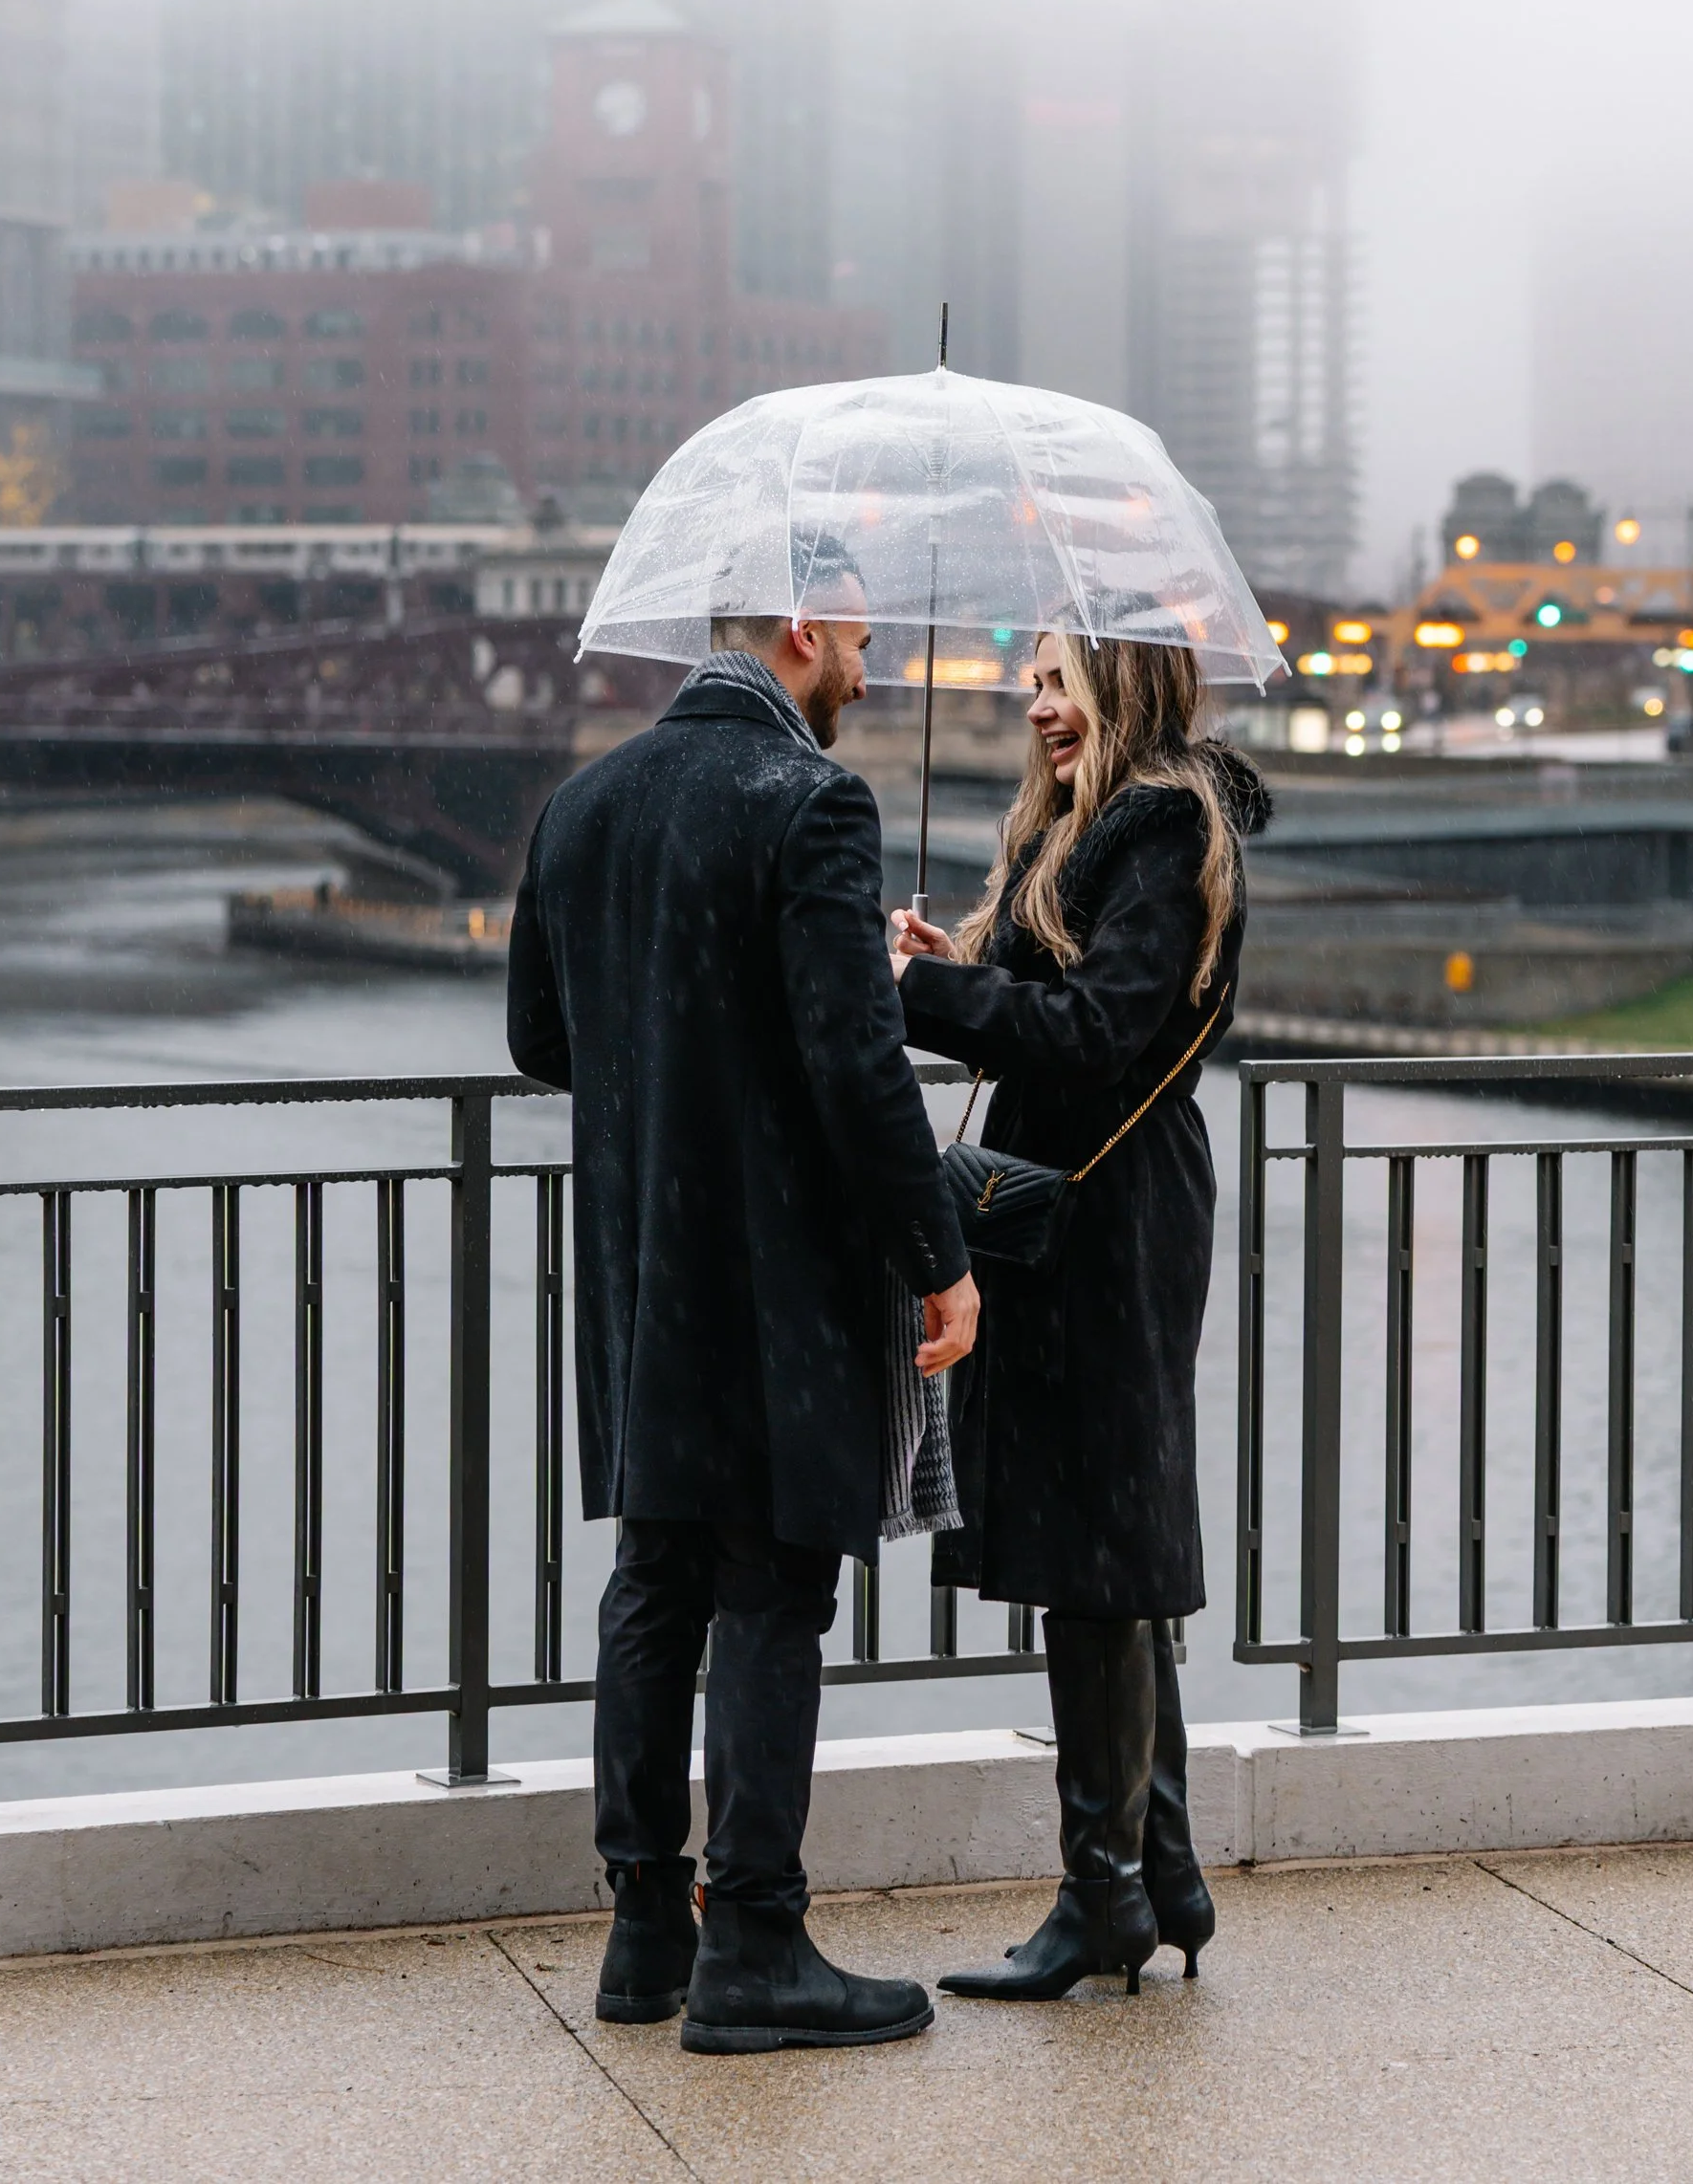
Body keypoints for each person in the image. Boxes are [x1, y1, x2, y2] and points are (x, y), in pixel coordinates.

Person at [508, 580, 979, 2056]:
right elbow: (855, 1067)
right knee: (776, 1590)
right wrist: (941, 1257)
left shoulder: (584, 806)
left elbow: (538, 1038)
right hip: (778, 1280)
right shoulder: (813, 804)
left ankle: (648, 1930)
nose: (866, 661)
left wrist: (678, 1047)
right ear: (792, 632)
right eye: (852, 636)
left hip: (646, 1271)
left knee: (657, 1580)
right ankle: (759, 1946)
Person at [890, 630, 1266, 2001]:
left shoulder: (1162, 827)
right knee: (1094, 1538)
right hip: (1081, 1208)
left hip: (1113, 1217)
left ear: (1127, 682)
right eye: (1034, 679)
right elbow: (1062, 1001)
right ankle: (1159, 1873)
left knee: (1103, 1547)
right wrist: (958, 961)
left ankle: (1102, 1897)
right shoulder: (1104, 828)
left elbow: (1102, 1033)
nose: (1037, 702)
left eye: (1060, 678)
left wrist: (924, 991)